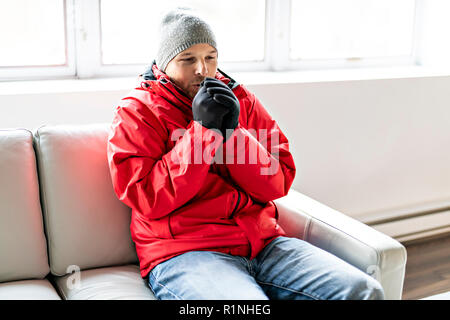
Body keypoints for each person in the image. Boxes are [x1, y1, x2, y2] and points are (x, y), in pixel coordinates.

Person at [107, 7, 384, 300]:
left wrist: (232, 131)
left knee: (363, 290)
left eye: (210, 57)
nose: (202, 69)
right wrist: (203, 132)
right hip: (185, 253)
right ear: (164, 64)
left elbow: (277, 181)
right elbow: (147, 197)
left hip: (263, 244)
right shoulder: (137, 112)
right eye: (187, 60)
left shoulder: (240, 100)